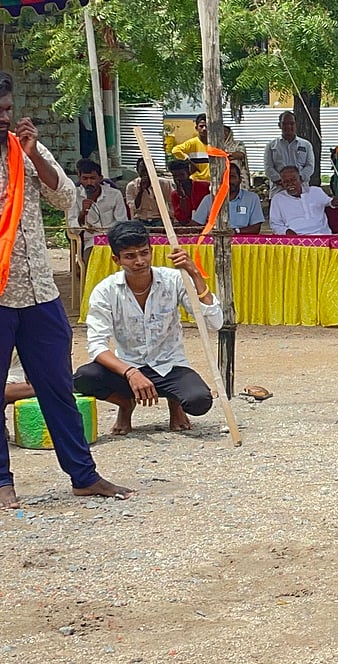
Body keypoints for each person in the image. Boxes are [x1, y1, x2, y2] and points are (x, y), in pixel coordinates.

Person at [0, 69, 132, 507]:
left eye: (8, 110)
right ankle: (3, 482)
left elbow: (67, 198)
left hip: (40, 292)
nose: (5, 118)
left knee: (57, 385)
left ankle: (83, 474)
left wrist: (34, 156)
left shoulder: (26, 152)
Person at [73, 220, 221, 434]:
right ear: (117, 259)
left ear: (151, 251)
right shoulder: (105, 291)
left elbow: (213, 322)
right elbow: (97, 346)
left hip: (170, 366)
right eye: (130, 256)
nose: (140, 261)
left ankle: (175, 403)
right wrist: (130, 372)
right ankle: (125, 404)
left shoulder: (174, 280)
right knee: (84, 378)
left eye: (144, 253)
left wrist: (194, 272)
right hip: (128, 367)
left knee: (199, 401)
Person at [71, 158, 125, 264]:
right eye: (85, 178)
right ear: (80, 179)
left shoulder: (114, 194)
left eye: (93, 178)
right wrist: (83, 213)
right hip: (91, 241)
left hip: (113, 239)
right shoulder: (74, 196)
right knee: (92, 259)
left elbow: (122, 222)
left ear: (100, 178)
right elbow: (73, 230)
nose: (89, 182)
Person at [188, 163, 263, 234]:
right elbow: (195, 225)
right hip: (216, 242)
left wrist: (236, 231)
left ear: (240, 179)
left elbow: (256, 228)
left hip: (242, 244)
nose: (228, 181)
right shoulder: (209, 199)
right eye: (225, 177)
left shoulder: (252, 198)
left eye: (232, 177)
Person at [269, 166, 338, 235]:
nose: (290, 184)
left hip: (321, 236)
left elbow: (330, 202)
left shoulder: (316, 191)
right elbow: (275, 224)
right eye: (286, 181)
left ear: (301, 179)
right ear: (282, 183)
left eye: (293, 180)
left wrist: (334, 202)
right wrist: (286, 231)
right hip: (296, 239)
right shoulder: (277, 199)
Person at [264, 111, 314, 196]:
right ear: (279, 125)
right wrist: (283, 181)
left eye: (291, 123)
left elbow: (310, 166)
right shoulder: (271, 146)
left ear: (296, 125)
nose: (288, 126)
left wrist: (297, 180)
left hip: (302, 192)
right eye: (285, 124)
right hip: (278, 192)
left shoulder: (306, 145)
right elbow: (268, 168)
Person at [125, 158, 173, 228]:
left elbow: (171, 203)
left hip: (160, 219)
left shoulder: (165, 184)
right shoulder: (131, 186)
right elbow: (133, 208)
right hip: (140, 219)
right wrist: (141, 191)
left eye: (149, 170)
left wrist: (171, 219)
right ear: (137, 171)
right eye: (143, 171)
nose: (146, 173)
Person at [170, 113, 210, 182]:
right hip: (196, 180)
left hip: (212, 182)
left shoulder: (215, 144)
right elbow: (175, 150)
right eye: (201, 126)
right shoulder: (192, 143)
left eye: (207, 126)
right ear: (196, 128)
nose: (204, 129)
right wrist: (187, 160)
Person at [168, 159, 210, 226]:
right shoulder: (175, 194)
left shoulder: (205, 186)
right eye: (175, 176)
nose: (178, 178)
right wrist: (182, 197)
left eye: (181, 175)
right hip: (188, 226)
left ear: (188, 173)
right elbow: (182, 218)